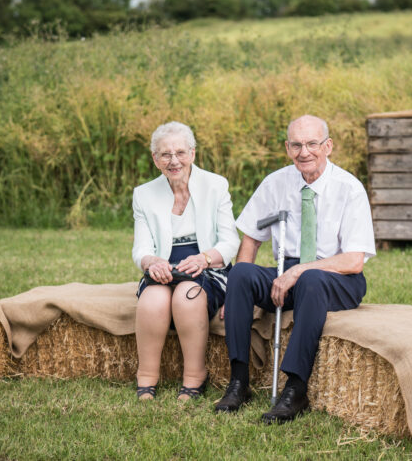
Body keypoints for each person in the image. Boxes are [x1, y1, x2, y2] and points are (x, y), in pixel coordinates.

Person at [215, 115, 376, 423]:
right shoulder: (276, 182)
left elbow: (353, 260)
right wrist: (234, 295)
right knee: (239, 273)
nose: (305, 152)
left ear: (327, 146)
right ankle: (238, 382)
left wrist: (299, 271)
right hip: (285, 272)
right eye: (297, 145)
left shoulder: (349, 189)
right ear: (287, 148)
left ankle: (295, 390)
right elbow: (250, 238)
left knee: (311, 278)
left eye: (312, 144)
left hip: (336, 276)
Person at [132, 121, 240, 401]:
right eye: (165, 154)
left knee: (187, 297)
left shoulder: (216, 185)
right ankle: (147, 376)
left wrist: (204, 258)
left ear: (193, 154)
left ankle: (195, 375)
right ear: (155, 159)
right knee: (152, 300)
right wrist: (151, 262)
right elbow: (141, 247)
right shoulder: (143, 194)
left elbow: (230, 242)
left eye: (180, 152)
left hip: (208, 267)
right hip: (164, 267)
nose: (174, 160)